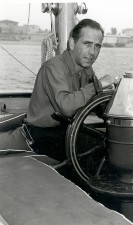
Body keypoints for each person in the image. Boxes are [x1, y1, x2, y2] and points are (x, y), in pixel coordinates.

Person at [22, 19, 116, 161]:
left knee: (112, 143)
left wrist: (116, 107)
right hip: (40, 134)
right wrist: (98, 85)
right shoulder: (53, 67)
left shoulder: (86, 69)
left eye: (97, 46)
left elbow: (96, 103)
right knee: (103, 151)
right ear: (72, 43)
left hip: (67, 129)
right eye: (87, 44)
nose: (92, 52)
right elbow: (66, 107)